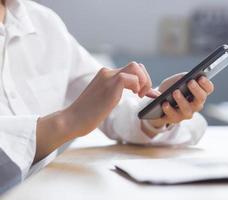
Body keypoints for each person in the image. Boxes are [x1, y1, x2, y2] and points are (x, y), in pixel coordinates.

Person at [0, 0, 214, 194]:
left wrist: (158, 111)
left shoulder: (43, 23)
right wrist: (67, 122)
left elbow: (115, 108)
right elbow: (80, 115)